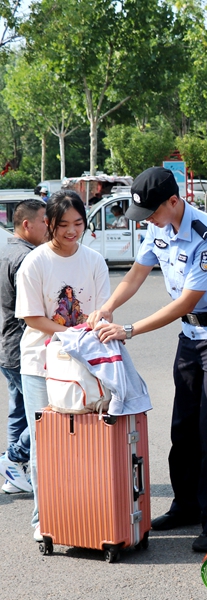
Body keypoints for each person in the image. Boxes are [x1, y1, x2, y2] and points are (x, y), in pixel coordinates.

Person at [87, 166, 207, 554]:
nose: (149, 223)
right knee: (183, 429)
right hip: (191, 337)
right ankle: (186, 505)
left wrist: (128, 330)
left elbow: (184, 303)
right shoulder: (157, 227)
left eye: (153, 214)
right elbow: (137, 273)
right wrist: (107, 307)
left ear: (174, 202)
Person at [14, 190, 110, 541]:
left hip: (86, 362)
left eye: (78, 224)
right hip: (41, 363)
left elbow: (102, 310)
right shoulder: (35, 262)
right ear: (49, 224)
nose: (72, 231)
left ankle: (85, 513)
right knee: (46, 443)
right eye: (63, 225)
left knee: (87, 440)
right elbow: (32, 317)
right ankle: (45, 519)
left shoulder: (94, 260)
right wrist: (70, 335)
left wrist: (95, 330)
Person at [0, 199, 48, 494]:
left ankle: (13, 474)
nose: (49, 226)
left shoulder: (8, 251)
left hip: (7, 346)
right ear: (27, 224)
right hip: (23, 349)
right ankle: (13, 458)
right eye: (45, 221)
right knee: (43, 412)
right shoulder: (27, 259)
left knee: (18, 410)